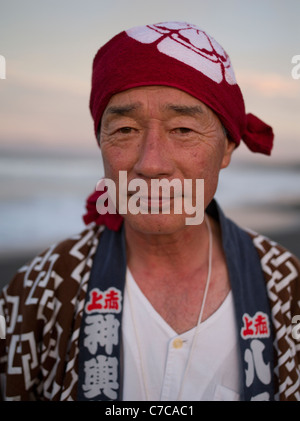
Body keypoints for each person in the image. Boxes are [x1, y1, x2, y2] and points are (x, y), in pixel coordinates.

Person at [0, 21, 300, 402]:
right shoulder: (37, 290)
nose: (151, 163)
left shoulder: (287, 287)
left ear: (226, 148)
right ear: (101, 143)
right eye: (125, 129)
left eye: (184, 129)